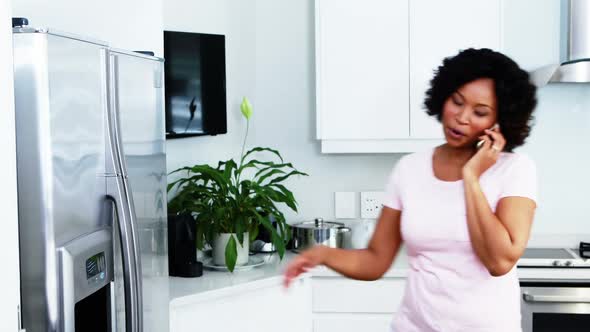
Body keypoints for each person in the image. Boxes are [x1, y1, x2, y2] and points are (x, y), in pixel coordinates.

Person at [283, 48, 538, 332]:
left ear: (499, 122)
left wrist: (471, 179)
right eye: (456, 101)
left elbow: (499, 261)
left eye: (480, 112)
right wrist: (322, 254)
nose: (461, 117)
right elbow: (376, 260)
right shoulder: (409, 169)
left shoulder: (515, 170)